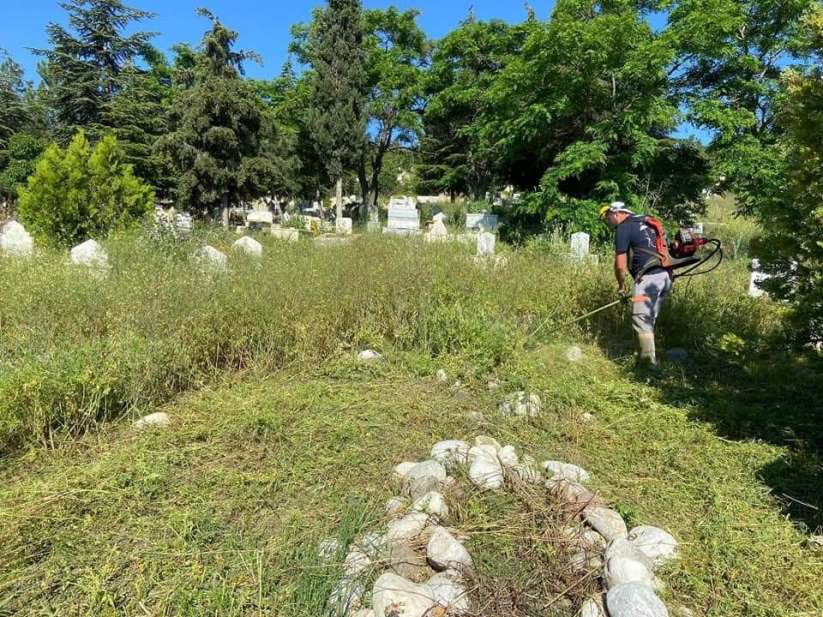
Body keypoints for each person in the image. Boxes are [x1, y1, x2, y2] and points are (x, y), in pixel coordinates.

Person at [600, 201, 673, 366]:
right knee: (648, 319)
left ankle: (648, 366)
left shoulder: (623, 228)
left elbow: (620, 265)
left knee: (641, 319)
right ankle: (643, 356)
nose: (608, 223)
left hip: (648, 282)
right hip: (665, 279)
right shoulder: (645, 221)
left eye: (608, 218)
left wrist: (621, 286)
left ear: (616, 213)